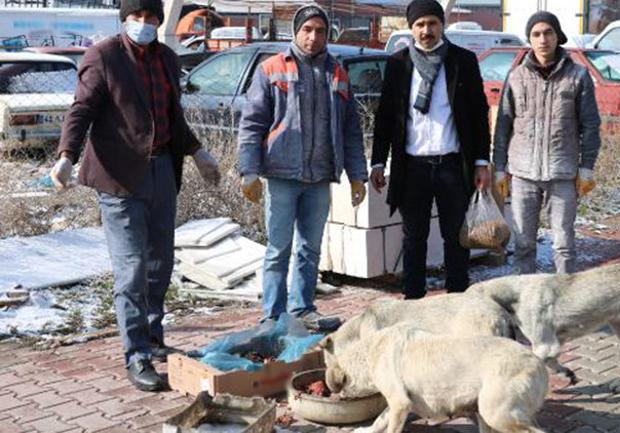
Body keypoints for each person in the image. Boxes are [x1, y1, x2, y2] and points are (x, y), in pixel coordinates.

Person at [49, 0, 222, 392]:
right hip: (120, 177)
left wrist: (198, 152)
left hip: (162, 171)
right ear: (124, 19)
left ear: (159, 21)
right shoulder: (104, 56)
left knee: (160, 263)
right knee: (132, 269)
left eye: (150, 17)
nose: (143, 23)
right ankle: (137, 354)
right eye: (136, 17)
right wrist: (66, 156)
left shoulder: (166, 59)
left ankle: (153, 335)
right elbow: (81, 110)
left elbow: (172, 116)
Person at [238, 4, 368, 329]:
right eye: (307, 30)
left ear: (327, 34)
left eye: (320, 31)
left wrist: (357, 176)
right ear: (295, 32)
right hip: (282, 174)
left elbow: (351, 130)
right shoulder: (271, 69)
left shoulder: (337, 73)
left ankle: (302, 309)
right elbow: (252, 124)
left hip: (320, 176)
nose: (313, 37)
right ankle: (272, 316)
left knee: (310, 249)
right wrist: (249, 171)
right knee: (278, 249)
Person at [370, 0, 491, 299]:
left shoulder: (462, 61)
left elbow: (479, 114)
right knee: (414, 238)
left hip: (452, 165)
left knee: (456, 237)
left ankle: (458, 300)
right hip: (412, 167)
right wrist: (378, 162)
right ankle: (414, 300)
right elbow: (385, 117)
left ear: (442, 25)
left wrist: (481, 161)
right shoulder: (398, 64)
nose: (426, 30)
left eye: (432, 23)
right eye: (420, 25)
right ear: (411, 28)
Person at [493, 11, 601, 275]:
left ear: (557, 36)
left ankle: (566, 296)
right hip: (523, 174)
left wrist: (586, 167)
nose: (543, 39)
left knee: (564, 245)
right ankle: (525, 296)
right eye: (536, 34)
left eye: (548, 32)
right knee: (523, 244)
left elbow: (590, 125)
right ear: (529, 39)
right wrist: (499, 167)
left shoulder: (578, 76)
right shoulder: (516, 76)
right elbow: (503, 125)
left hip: (562, 172)